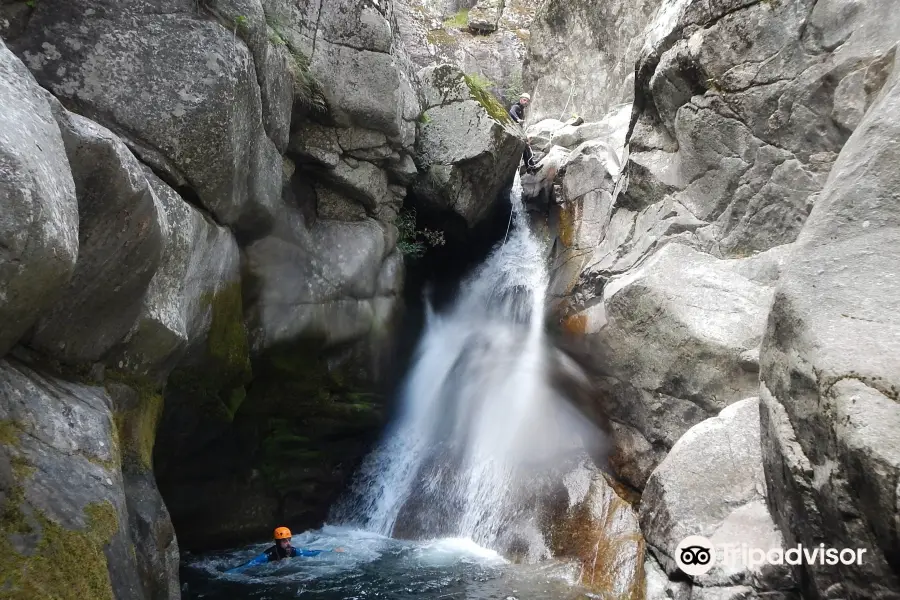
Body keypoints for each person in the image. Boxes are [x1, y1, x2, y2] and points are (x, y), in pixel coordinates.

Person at [226, 527, 345, 573]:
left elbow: (311, 553)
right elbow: (250, 564)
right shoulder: (269, 555)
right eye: (284, 541)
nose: (288, 543)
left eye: (289, 540)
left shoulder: (292, 551)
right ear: (278, 542)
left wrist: (331, 551)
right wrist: (229, 573)